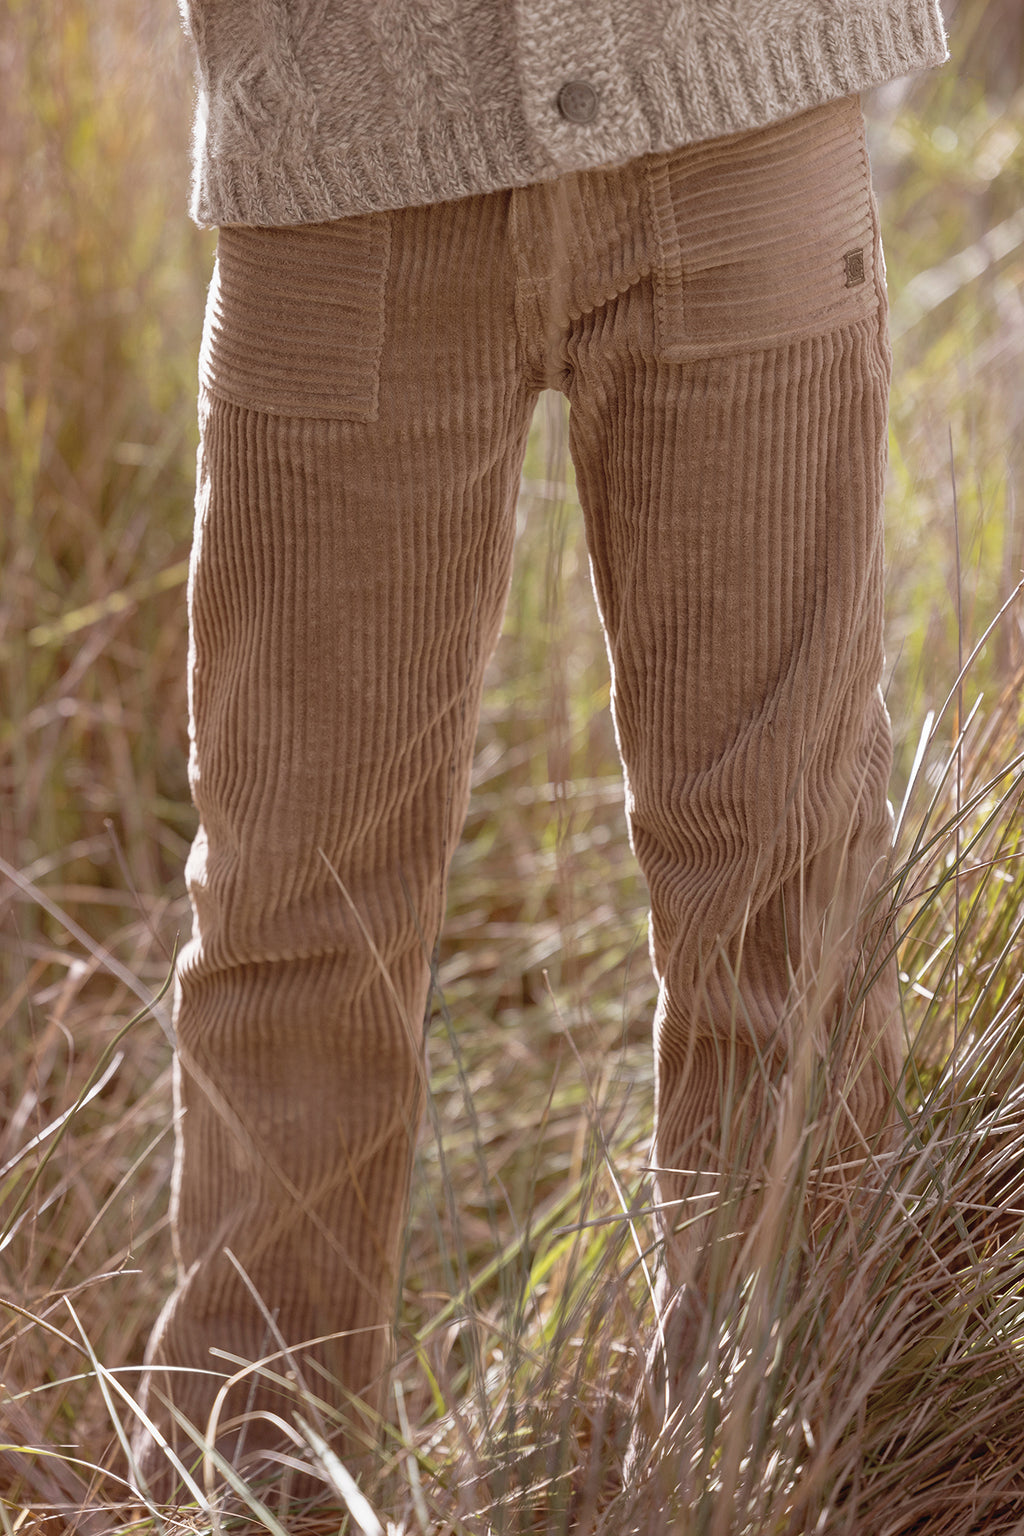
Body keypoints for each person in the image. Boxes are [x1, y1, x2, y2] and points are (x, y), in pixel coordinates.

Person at [135, 0, 948, 1509]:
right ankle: (248, 1494)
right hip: (339, 134)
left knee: (787, 897)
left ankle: (783, 1480)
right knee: (292, 922)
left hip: (739, 99)